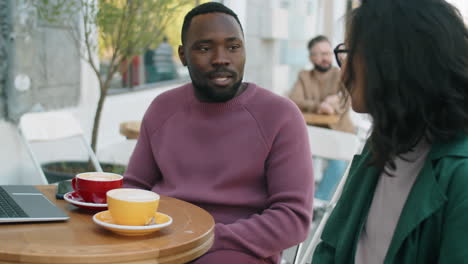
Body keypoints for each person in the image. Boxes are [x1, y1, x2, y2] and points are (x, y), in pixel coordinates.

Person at [124, 3, 314, 264]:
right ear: (182, 55)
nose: (221, 58)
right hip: (162, 245)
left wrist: (200, 239)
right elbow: (133, 188)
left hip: (238, 252)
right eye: (204, 48)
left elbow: (293, 218)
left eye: (233, 47)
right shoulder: (162, 108)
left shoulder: (280, 115)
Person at [312, 0, 468, 263]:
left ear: (396, 61)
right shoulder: (382, 142)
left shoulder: (460, 173)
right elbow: (332, 247)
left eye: (351, 53)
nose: (343, 72)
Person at [290, 36, 355, 202]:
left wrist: (334, 103)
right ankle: (299, 199)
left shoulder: (342, 73)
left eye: (327, 53)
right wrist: (321, 105)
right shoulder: (304, 76)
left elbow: (346, 100)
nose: (325, 58)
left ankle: (317, 203)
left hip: (339, 132)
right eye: (319, 54)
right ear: (311, 57)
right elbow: (294, 99)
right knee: (293, 158)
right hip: (312, 132)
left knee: (339, 165)